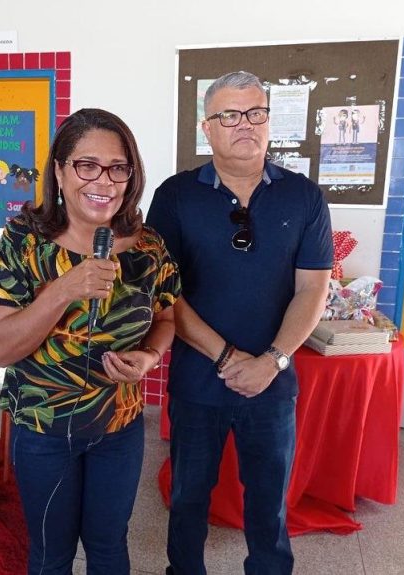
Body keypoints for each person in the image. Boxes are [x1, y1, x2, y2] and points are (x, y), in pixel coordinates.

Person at [0, 108, 181, 575]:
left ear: (131, 175)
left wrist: (150, 356)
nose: (103, 181)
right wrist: (63, 290)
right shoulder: (22, 242)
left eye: (117, 168)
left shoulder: (148, 247)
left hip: (120, 426)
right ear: (59, 170)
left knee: (109, 547)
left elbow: (167, 318)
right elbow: (1, 348)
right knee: (51, 555)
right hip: (43, 429)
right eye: (87, 165)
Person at [146, 72, 333, 574]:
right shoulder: (175, 197)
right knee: (188, 498)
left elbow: (312, 289)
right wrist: (228, 357)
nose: (244, 124)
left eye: (255, 113)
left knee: (270, 505)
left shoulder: (304, 197)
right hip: (198, 381)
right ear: (207, 128)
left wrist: (272, 361)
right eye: (229, 115)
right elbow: (165, 292)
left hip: (273, 384)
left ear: (270, 121)